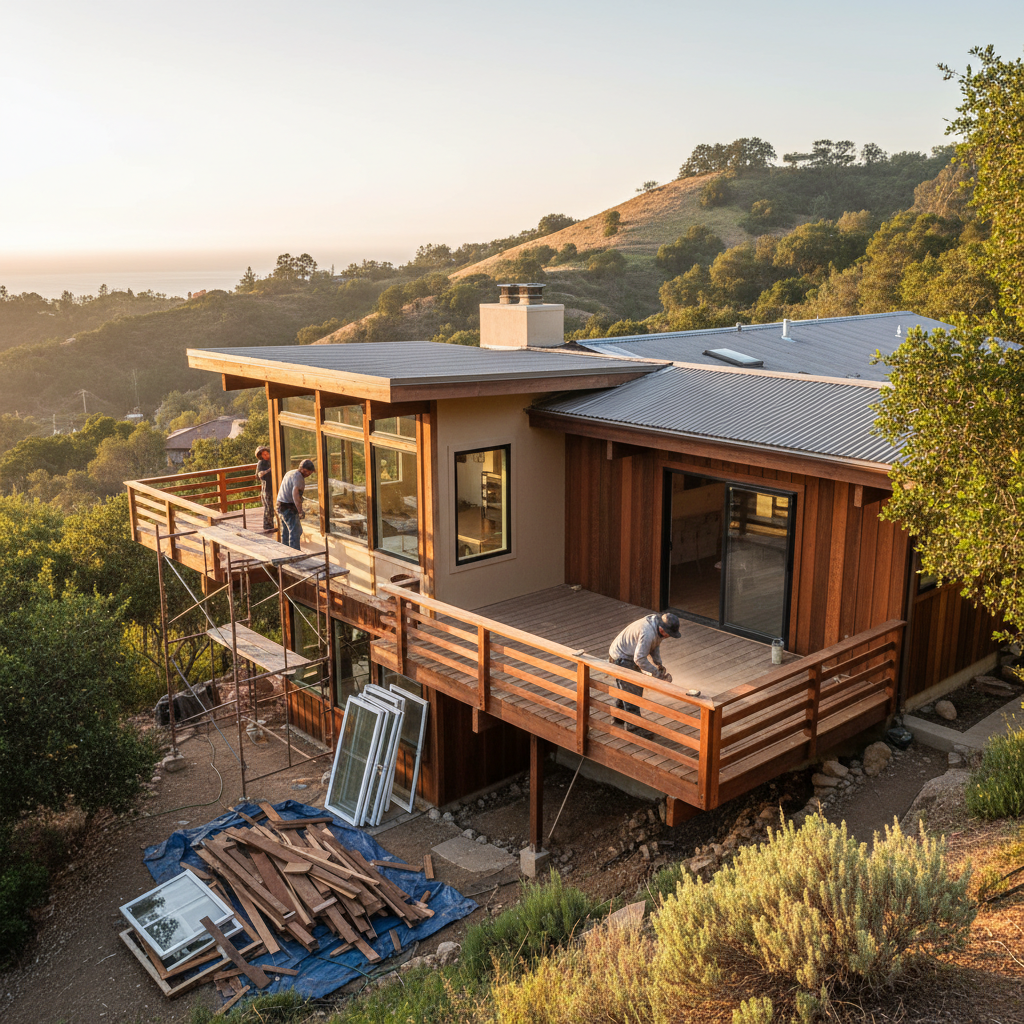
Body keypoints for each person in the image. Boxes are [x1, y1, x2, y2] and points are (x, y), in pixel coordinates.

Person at [607, 611, 681, 739]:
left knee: (626, 687)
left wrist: (658, 663)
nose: (668, 636)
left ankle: (619, 717)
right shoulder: (647, 632)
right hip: (622, 657)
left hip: (629, 654)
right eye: (668, 634)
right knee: (633, 690)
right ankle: (633, 727)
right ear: (662, 629)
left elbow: (655, 645)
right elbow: (640, 659)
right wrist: (656, 673)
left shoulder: (657, 627)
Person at [276, 459, 315, 549]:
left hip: (280, 504)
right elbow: (295, 495)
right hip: (288, 506)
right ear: (303, 470)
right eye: (308, 473)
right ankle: (295, 556)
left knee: (286, 531)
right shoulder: (299, 477)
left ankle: (285, 552)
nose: (309, 475)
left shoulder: (290, 473)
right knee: (295, 531)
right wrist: (300, 511)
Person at [254, 446, 274, 532]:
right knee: (268, 506)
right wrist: (268, 470)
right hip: (267, 487)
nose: (266, 456)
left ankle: (274, 523)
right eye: (263, 455)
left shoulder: (273, 460)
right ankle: (268, 525)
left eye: (266, 454)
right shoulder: (261, 463)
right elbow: (258, 475)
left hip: (275, 485)